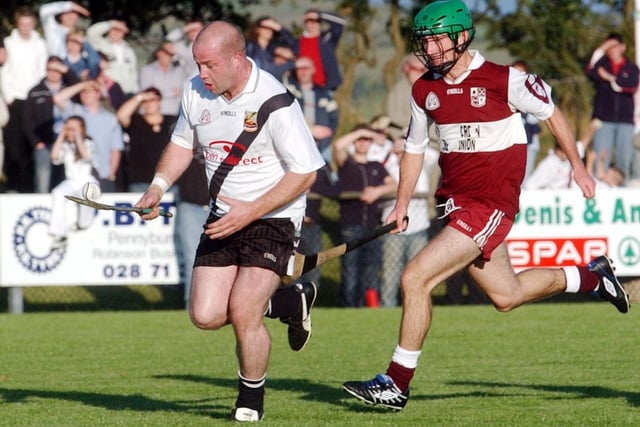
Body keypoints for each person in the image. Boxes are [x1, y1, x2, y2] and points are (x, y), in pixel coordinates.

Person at [342, 0, 629, 411]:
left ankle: (396, 383)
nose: (430, 49)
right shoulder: (424, 88)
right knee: (506, 295)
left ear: (462, 37)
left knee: (415, 277)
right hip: (456, 204)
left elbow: (553, 114)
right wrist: (402, 202)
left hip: (491, 204)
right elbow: (413, 148)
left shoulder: (505, 79)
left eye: (438, 40)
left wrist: (580, 169)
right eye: (425, 42)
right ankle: (592, 277)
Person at [133, 21, 325, 422]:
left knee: (244, 310)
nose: (202, 74)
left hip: (272, 218)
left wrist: (250, 211)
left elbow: (305, 172)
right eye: (197, 64)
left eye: (209, 65)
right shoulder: (195, 90)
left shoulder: (275, 101)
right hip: (222, 217)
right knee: (205, 315)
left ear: (237, 59)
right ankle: (292, 301)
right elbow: (182, 144)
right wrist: (157, 186)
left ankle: (250, 401)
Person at [333, 124, 397, 307]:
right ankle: (348, 307)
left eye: (366, 140)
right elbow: (338, 146)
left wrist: (377, 191)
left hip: (371, 226)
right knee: (350, 271)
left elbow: (394, 184)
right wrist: (363, 132)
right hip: (350, 225)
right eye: (359, 140)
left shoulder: (375, 166)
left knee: (370, 271)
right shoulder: (347, 164)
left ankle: (368, 308)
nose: (363, 143)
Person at [380, 135, 438, 307]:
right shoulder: (388, 168)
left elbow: (433, 155)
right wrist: (390, 151)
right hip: (393, 228)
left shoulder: (421, 167)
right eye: (397, 151)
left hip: (418, 227)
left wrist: (412, 144)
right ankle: (387, 306)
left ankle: (416, 305)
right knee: (391, 272)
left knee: (419, 271)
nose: (400, 154)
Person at [1, 6, 48, 193]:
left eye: (29, 24)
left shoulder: (40, 44)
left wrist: (39, 94)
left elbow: (42, 69)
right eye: (22, 24)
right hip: (15, 99)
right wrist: (9, 96)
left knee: (33, 142)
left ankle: (31, 187)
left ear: (33, 24)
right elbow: (4, 71)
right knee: (14, 144)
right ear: (17, 24)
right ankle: (13, 186)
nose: (26, 28)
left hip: (34, 99)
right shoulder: (8, 43)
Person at [585, 32, 639, 183]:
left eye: (614, 46)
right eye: (608, 47)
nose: (611, 50)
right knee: (601, 158)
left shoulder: (632, 68)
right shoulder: (600, 66)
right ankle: (599, 192)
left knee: (624, 160)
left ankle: (625, 197)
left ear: (623, 47)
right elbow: (589, 69)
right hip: (604, 120)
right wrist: (602, 48)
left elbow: (629, 85)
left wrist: (609, 78)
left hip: (625, 121)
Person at [53, 80, 124, 192]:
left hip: (103, 175)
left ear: (98, 94)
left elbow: (116, 149)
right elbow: (57, 98)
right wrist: (83, 84)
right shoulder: (74, 111)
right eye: (83, 92)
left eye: (89, 91)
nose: (85, 94)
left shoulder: (111, 119)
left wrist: (111, 173)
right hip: (78, 176)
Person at [23, 56, 80, 194]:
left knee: (65, 180)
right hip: (44, 143)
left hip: (66, 143)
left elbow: (80, 85)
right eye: (50, 69)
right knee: (43, 179)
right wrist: (36, 142)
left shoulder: (69, 90)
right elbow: (27, 121)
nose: (53, 73)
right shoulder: (36, 91)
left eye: (57, 69)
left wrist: (66, 70)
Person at [48, 115, 99, 248]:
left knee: (86, 195)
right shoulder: (64, 145)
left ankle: (83, 224)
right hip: (71, 181)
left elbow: (85, 155)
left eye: (74, 129)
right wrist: (61, 135)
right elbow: (54, 157)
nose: (71, 131)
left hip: (88, 180)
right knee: (58, 192)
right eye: (68, 128)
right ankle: (60, 234)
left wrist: (77, 137)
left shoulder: (89, 141)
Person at [116, 86, 175, 192]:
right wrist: (139, 97)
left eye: (152, 100)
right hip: (140, 181)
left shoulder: (171, 121)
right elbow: (121, 116)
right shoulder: (136, 121)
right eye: (145, 101)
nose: (148, 104)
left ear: (159, 101)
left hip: (166, 181)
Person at [283, 56, 338, 164]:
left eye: (306, 68)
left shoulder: (325, 94)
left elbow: (334, 119)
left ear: (313, 70)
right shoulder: (288, 91)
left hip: (322, 147)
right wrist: (310, 130)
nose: (303, 72)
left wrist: (326, 138)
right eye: (300, 68)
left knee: (325, 175)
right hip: (295, 145)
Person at [293, 9, 346, 91]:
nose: (313, 23)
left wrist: (321, 15)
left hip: (326, 87)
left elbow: (340, 23)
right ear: (305, 22)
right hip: (303, 87)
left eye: (316, 20)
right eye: (309, 20)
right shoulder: (297, 42)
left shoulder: (327, 38)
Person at [87, 20, 138, 97]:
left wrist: (135, 90)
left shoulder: (129, 50)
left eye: (120, 30)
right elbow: (91, 32)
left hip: (128, 91)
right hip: (108, 91)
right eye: (114, 29)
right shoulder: (100, 44)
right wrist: (112, 23)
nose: (117, 32)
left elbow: (133, 72)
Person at [138, 41, 189, 117]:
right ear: (157, 53)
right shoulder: (147, 70)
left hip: (174, 113)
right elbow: (149, 93)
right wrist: (171, 93)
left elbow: (182, 92)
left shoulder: (179, 70)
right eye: (162, 52)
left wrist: (162, 93)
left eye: (168, 53)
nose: (164, 55)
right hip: (152, 114)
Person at [512, 60, 541, 182]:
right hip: (512, 143)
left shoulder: (533, 92)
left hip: (529, 143)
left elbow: (535, 118)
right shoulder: (505, 91)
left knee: (525, 178)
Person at [246, 16, 296, 82]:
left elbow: (293, 44)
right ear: (257, 29)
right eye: (265, 27)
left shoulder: (274, 47)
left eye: (272, 28)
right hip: (254, 81)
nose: (269, 30)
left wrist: (279, 27)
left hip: (272, 82)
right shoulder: (250, 46)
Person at [386, 54, 427, 132]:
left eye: (422, 70)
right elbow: (395, 121)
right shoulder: (398, 90)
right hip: (405, 136)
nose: (419, 73)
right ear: (406, 69)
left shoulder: (433, 88)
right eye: (415, 69)